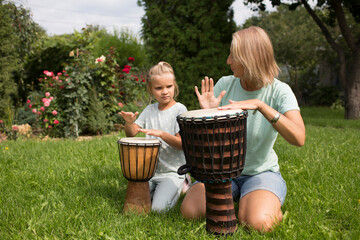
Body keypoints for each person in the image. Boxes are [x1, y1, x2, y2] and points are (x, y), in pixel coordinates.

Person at [180, 26, 306, 232]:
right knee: (191, 211)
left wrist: (262, 106)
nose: (228, 61)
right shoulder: (225, 84)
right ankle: (239, 196)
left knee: (258, 223)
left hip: (260, 173)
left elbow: (299, 138)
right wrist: (210, 116)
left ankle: (260, 200)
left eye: (233, 55)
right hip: (220, 172)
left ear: (250, 58)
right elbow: (208, 145)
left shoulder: (279, 91)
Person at [119, 61, 189, 212]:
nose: (165, 91)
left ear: (174, 86)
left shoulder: (179, 109)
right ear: (151, 90)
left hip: (172, 172)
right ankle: (161, 190)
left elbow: (182, 144)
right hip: (150, 173)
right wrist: (129, 123)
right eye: (159, 88)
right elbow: (131, 133)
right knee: (136, 203)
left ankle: (183, 182)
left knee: (158, 209)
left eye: (169, 86)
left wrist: (162, 134)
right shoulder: (149, 110)